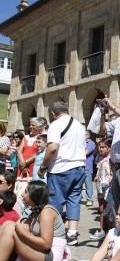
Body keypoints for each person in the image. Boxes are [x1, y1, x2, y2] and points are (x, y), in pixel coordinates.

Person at [0, 180, 69, 261]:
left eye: (26, 192)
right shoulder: (35, 211)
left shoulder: (47, 212)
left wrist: (21, 232)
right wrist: (21, 229)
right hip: (40, 252)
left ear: (34, 195)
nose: (22, 194)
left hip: (49, 256)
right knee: (8, 224)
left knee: (10, 228)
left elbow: (46, 244)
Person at [38, 102, 86, 246]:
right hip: (79, 166)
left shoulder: (55, 124)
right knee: (74, 200)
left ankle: (54, 233)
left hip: (61, 168)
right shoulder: (79, 125)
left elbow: (52, 148)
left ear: (53, 113)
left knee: (55, 202)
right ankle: (72, 233)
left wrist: (43, 166)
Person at [90, 138, 113, 241]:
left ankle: (106, 230)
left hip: (107, 187)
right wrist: (96, 176)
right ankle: (102, 230)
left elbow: (112, 173)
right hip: (100, 186)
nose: (100, 149)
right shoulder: (100, 158)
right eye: (100, 147)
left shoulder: (111, 159)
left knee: (107, 209)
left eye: (103, 147)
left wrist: (109, 181)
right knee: (101, 208)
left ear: (110, 148)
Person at [84, 131, 96, 207]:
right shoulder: (81, 143)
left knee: (88, 185)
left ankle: (90, 199)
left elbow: (86, 152)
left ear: (87, 135)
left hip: (87, 166)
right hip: (80, 166)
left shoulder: (91, 143)